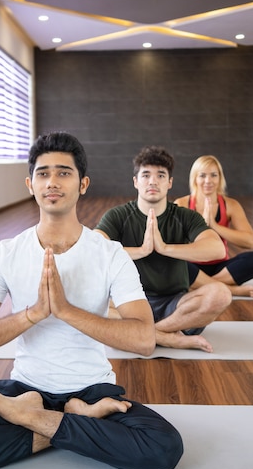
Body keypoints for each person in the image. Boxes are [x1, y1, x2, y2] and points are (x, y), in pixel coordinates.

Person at [0, 132, 183, 469]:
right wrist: (33, 314)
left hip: (92, 390)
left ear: (83, 184)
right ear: (30, 184)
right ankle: (71, 422)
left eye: (64, 173)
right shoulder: (7, 253)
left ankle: (33, 418)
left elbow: (144, 340)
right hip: (25, 388)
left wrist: (67, 311)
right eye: (43, 173)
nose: (52, 182)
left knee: (164, 447)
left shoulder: (110, 254)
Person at [95, 146, 232, 353]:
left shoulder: (185, 216)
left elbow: (217, 249)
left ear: (169, 183)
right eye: (146, 175)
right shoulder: (118, 215)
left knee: (220, 294)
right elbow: (93, 251)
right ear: (136, 182)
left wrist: (165, 248)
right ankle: (168, 338)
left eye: (160, 175)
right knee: (87, 299)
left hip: (176, 308)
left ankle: (149, 333)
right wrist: (141, 250)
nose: (152, 181)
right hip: (130, 304)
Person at [174, 155, 253, 298]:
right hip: (191, 267)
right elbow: (173, 242)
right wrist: (200, 228)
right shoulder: (181, 204)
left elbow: (249, 241)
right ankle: (230, 289)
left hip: (220, 268)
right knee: (172, 262)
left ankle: (199, 287)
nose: (208, 181)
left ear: (220, 178)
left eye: (213, 175)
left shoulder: (231, 205)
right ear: (195, 179)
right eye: (202, 175)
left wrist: (215, 226)